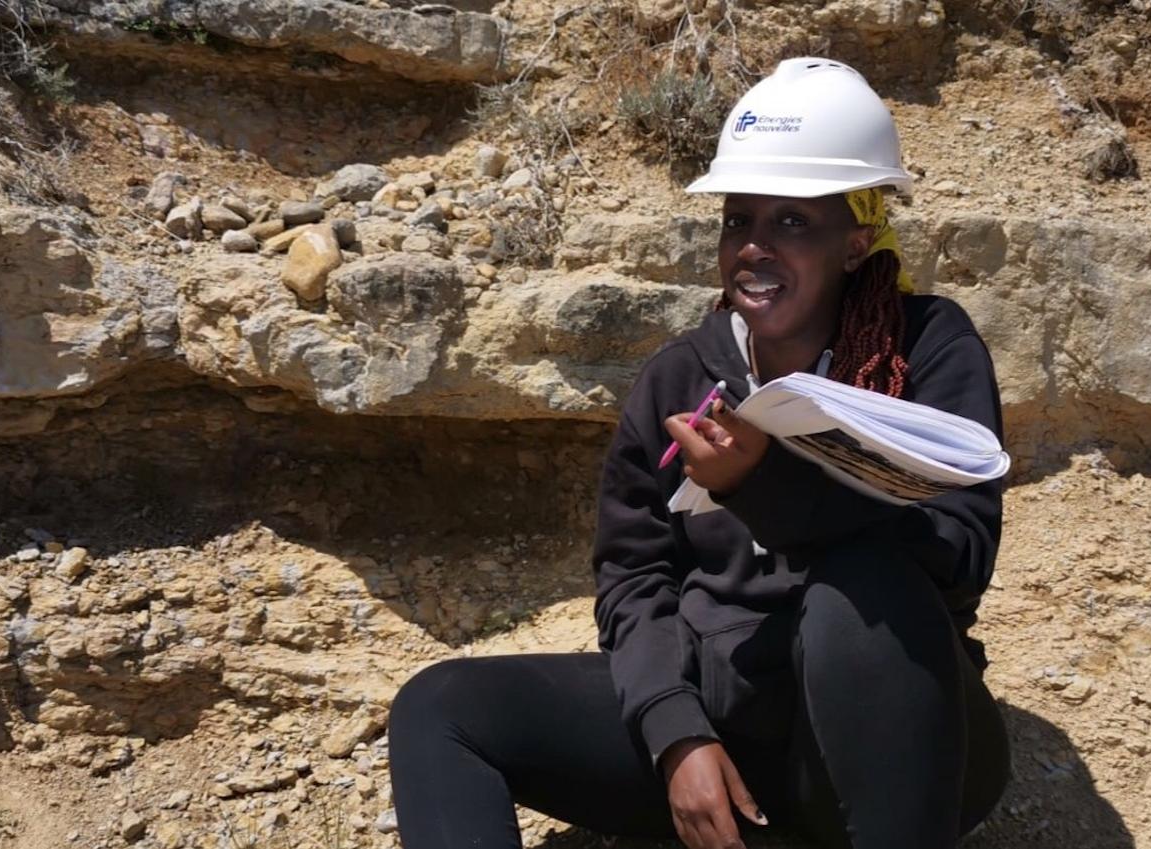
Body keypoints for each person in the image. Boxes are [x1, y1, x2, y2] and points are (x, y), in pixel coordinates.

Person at [389, 57, 1010, 849]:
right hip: (727, 730)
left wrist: (761, 485)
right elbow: (633, 576)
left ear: (854, 244)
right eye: (736, 220)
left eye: (790, 222)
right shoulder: (681, 376)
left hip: (897, 751)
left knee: (858, 585)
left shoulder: (926, 349)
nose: (753, 247)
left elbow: (960, 550)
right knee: (439, 707)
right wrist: (675, 732)